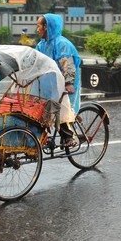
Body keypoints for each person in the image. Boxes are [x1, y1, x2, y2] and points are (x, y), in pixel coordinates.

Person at [35, 13, 81, 147]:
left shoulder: (62, 44)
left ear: (46, 27)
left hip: (64, 82)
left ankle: (69, 137)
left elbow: (68, 65)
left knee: (61, 106)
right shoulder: (41, 45)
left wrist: (68, 83)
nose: (37, 29)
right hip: (50, 82)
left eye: (39, 26)